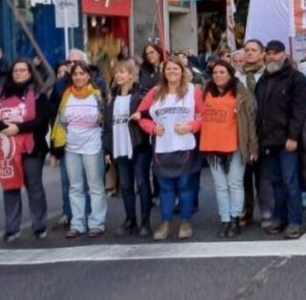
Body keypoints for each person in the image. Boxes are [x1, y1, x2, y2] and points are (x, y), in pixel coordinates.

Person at [0, 59, 51, 242]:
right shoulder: (0, 95)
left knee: (34, 187)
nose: (19, 73)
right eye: (16, 70)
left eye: (23, 70)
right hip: (6, 150)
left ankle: (39, 226)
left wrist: (18, 128)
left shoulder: (38, 95)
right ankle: (12, 228)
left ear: (30, 73)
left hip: (31, 148)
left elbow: (43, 120)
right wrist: (4, 127)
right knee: (10, 189)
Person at [138, 58, 204, 241]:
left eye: (176, 69)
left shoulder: (194, 91)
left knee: (185, 185)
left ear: (182, 71)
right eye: (168, 69)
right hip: (162, 147)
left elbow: (202, 115)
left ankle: (185, 221)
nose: (172, 72)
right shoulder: (155, 92)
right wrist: (151, 128)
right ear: (163, 72)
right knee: (166, 187)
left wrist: (191, 127)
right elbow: (140, 115)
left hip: (185, 146)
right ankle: (165, 222)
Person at [255, 40, 306, 239]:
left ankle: (295, 221)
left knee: (290, 182)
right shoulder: (263, 79)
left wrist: (293, 137)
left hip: (288, 140)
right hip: (268, 140)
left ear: (284, 55)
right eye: (268, 53)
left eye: (275, 53)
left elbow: (300, 110)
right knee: (275, 182)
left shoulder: (296, 78)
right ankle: (280, 217)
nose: (272, 57)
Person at [50, 62, 107, 239]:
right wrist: (56, 149)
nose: (79, 77)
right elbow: (59, 122)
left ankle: (96, 223)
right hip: (71, 148)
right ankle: (77, 223)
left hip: (93, 147)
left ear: (89, 76)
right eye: (75, 74)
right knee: (75, 187)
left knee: (95, 186)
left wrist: (107, 150)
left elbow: (104, 121)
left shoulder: (97, 96)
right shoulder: (66, 96)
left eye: (82, 74)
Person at [201, 60, 257, 238]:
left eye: (222, 72)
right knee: (220, 186)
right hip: (212, 146)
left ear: (230, 74)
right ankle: (224, 219)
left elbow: (250, 120)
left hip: (235, 145)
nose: (218, 75)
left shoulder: (241, 92)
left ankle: (235, 219)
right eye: (215, 72)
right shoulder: (206, 91)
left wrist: (252, 146)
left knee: (235, 183)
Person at [103, 59, 152, 237]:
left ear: (131, 75)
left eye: (122, 72)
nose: (118, 75)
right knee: (125, 186)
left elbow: (148, 116)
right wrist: (107, 150)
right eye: (117, 72)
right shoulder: (112, 99)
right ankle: (130, 220)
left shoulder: (140, 96)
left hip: (138, 146)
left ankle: (145, 221)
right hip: (119, 148)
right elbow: (107, 127)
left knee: (142, 183)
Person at [239, 39, 272, 229]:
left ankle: (267, 211)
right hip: (244, 131)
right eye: (247, 50)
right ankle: (246, 210)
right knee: (243, 174)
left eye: (254, 50)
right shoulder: (237, 76)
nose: (249, 53)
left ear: (262, 54)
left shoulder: (268, 74)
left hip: (265, 129)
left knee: (264, 175)